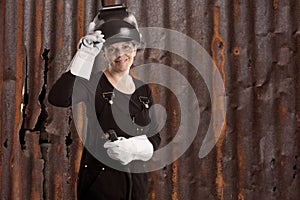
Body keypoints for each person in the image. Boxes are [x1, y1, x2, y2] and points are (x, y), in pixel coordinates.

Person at [48, 5, 161, 200]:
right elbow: (58, 98)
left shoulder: (143, 90)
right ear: (104, 53)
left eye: (126, 46)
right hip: (99, 186)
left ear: (135, 48)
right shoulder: (92, 83)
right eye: (112, 48)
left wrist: (134, 149)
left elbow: (155, 138)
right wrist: (83, 56)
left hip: (136, 188)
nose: (120, 54)